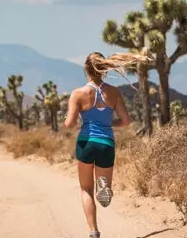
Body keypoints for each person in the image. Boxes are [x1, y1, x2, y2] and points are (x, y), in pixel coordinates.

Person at [63, 51, 149, 238]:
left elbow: (69, 124)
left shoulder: (78, 93)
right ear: (103, 70)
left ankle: (93, 232)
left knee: (86, 189)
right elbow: (126, 120)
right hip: (106, 143)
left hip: (86, 142)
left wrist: (72, 118)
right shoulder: (114, 92)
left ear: (86, 69)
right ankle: (105, 185)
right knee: (103, 188)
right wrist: (109, 123)